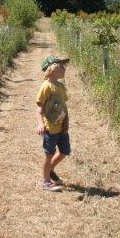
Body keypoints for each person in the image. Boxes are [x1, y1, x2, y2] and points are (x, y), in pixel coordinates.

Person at [35, 55, 70, 191]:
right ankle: (46, 181)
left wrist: (66, 122)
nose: (64, 68)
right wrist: (40, 124)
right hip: (50, 127)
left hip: (62, 127)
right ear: (52, 68)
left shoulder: (61, 86)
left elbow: (64, 106)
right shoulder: (46, 86)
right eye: (61, 66)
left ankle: (50, 170)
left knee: (64, 152)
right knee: (49, 154)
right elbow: (39, 109)